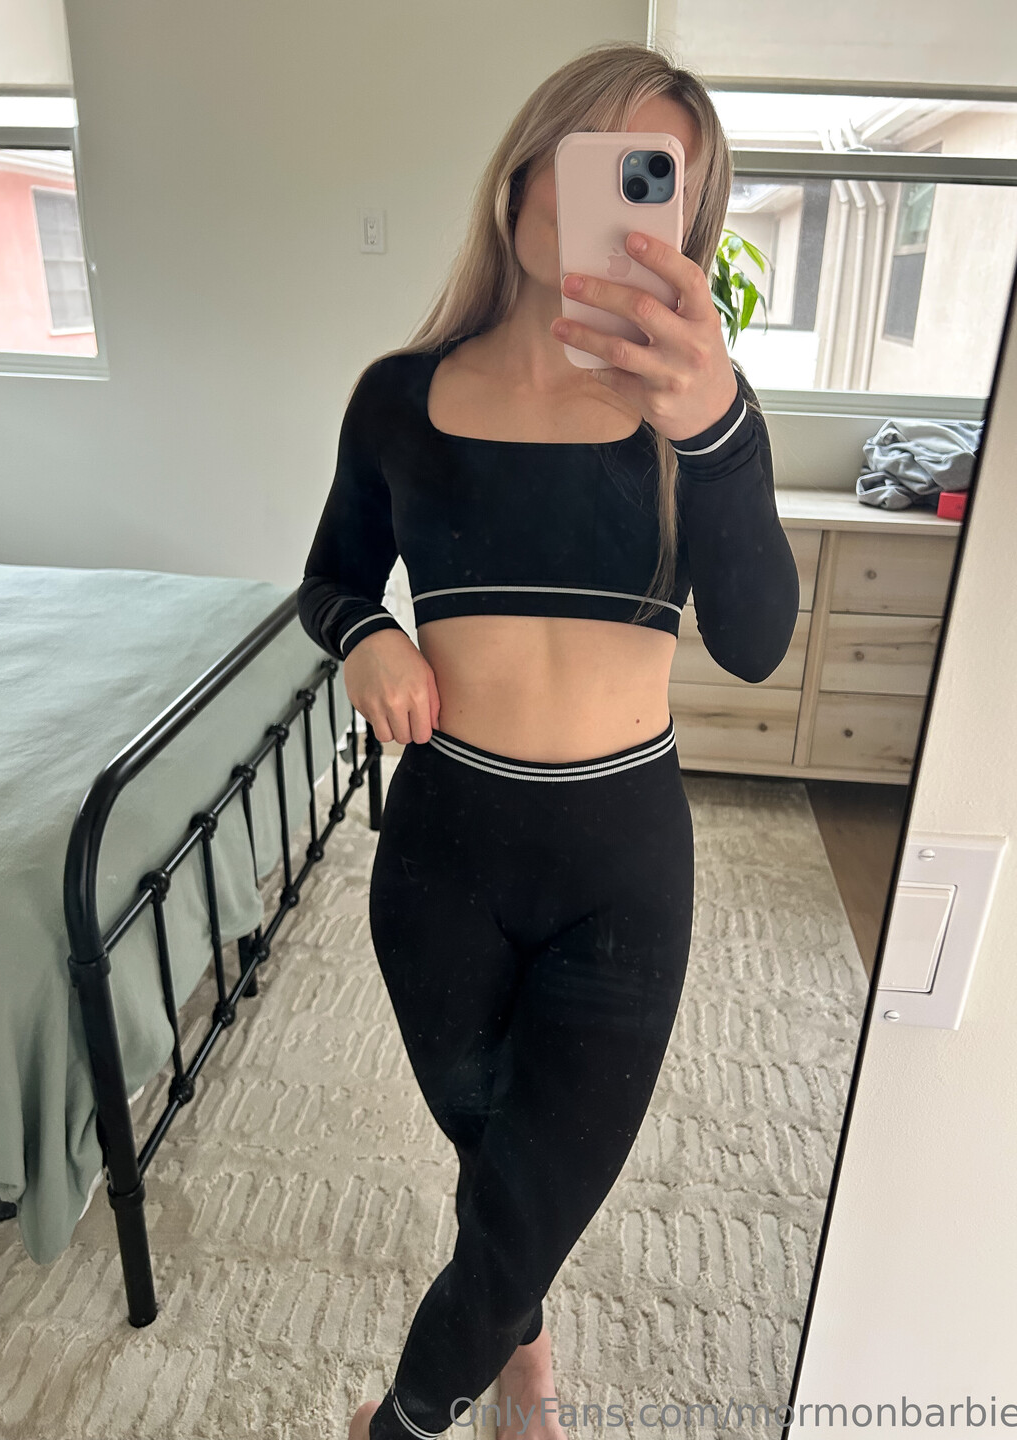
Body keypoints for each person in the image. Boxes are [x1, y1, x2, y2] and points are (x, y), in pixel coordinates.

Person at [296, 41, 799, 1440]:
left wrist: (718, 428)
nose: (598, 205)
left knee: (537, 1189)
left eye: (645, 180)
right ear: (524, 171)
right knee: (495, 1157)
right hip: (442, 855)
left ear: (683, 220)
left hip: (620, 865)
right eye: (585, 158)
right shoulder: (399, 397)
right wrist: (368, 635)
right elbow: (330, 578)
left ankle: (397, 1423)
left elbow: (757, 640)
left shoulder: (695, 414)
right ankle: (524, 1358)